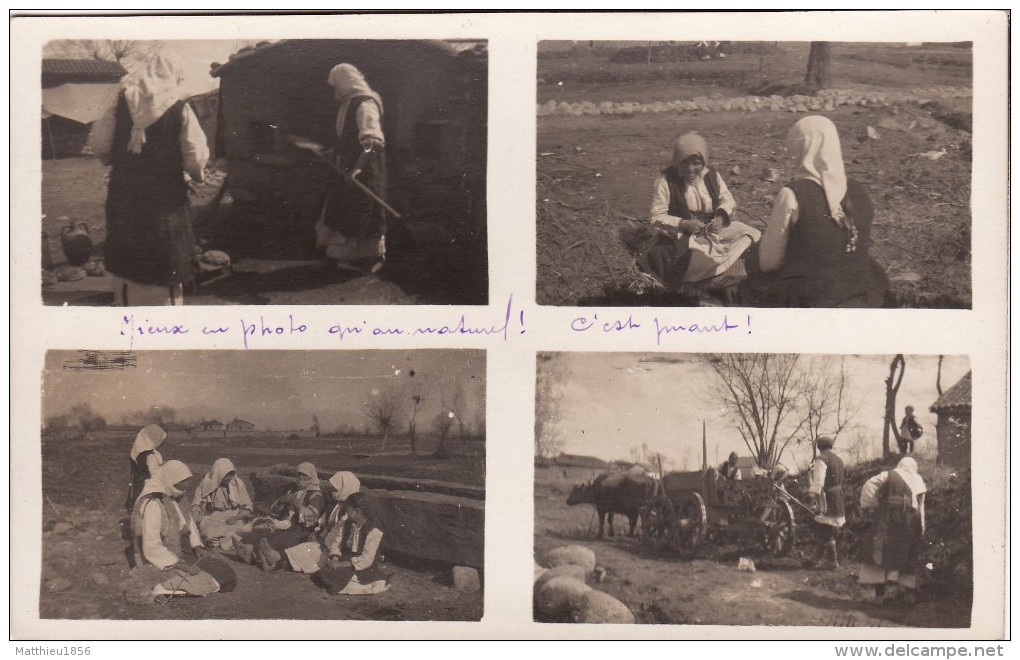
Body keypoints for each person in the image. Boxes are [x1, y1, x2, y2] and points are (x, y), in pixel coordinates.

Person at [91, 48, 210, 306]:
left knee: (128, 255)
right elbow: (195, 156)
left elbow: (100, 144)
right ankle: (165, 326)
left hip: (125, 193)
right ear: (174, 74)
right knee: (165, 255)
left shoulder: (121, 101)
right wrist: (197, 175)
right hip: (164, 199)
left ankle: (127, 313)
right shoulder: (180, 109)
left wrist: (115, 160)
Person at [750, 115, 888, 307]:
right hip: (860, 287)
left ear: (801, 149)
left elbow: (770, 262)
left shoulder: (793, 194)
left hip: (813, 295)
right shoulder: (859, 190)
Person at [641, 132, 761, 290]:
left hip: (712, 229)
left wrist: (720, 216)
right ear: (677, 161)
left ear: (703, 161)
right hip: (685, 236)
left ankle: (715, 269)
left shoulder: (711, 175)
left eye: (696, 163)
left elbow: (728, 199)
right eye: (684, 163)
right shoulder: (665, 181)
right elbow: (656, 218)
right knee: (691, 258)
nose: (690, 169)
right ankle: (718, 273)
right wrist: (684, 224)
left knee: (751, 233)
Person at [315, 63, 388, 270]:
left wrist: (358, 168)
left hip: (366, 167)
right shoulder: (348, 103)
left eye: (337, 85)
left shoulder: (366, 104)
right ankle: (344, 256)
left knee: (363, 211)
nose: (335, 91)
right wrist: (333, 153)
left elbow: (372, 142)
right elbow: (347, 138)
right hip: (348, 167)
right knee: (344, 209)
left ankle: (368, 259)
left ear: (347, 83)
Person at [130, 460, 236, 598]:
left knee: (226, 573)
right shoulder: (152, 504)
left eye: (187, 480)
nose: (186, 485)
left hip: (182, 550)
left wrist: (196, 545)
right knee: (209, 579)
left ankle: (179, 584)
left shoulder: (176, 496)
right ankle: (163, 587)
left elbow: (189, 523)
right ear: (170, 479)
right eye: (183, 480)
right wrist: (178, 564)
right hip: (161, 558)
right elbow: (151, 546)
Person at [858, 457, 927, 605]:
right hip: (911, 521)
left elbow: (869, 486)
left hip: (888, 517)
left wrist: (871, 504)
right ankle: (909, 596)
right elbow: (921, 507)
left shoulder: (888, 475)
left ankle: (879, 597)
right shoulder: (919, 480)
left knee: (880, 550)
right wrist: (921, 525)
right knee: (908, 553)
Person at [236, 462, 326, 571]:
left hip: (301, 528)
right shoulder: (293, 490)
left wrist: (295, 503)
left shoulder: (316, 495)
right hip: (285, 523)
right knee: (262, 532)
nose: (300, 478)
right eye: (299, 475)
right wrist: (281, 502)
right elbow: (275, 512)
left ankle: (255, 554)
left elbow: (310, 519)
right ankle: (252, 554)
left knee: (280, 540)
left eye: (304, 476)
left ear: (312, 477)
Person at [283, 470, 362, 574]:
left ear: (345, 487)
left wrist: (325, 543)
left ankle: (277, 561)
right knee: (304, 548)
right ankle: (276, 560)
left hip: (338, 548)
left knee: (312, 553)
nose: (332, 489)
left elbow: (342, 533)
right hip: (327, 542)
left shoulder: (353, 510)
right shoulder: (334, 505)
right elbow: (323, 523)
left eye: (335, 487)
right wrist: (317, 535)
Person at [316, 492, 390, 595]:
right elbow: (337, 543)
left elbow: (367, 559)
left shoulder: (373, 530)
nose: (346, 512)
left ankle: (347, 584)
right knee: (325, 570)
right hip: (346, 559)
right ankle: (339, 581)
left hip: (362, 566)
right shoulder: (346, 524)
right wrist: (335, 559)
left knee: (336, 575)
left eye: (347, 509)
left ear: (357, 511)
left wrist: (340, 564)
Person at [190, 458, 253, 551]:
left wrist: (236, 518)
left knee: (241, 531)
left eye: (231, 474)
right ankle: (216, 541)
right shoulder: (207, 482)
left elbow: (247, 507)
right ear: (219, 474)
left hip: (233, 515)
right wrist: (196, 517)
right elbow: (197, 502)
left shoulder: (238, 484)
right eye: (227, 475)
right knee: (207, 532)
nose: (230, 478)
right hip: (212, 515)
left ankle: (226, 541)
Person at [807, 436, 846, 569]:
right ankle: (817, 558)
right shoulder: (839, 460)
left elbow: (819, 480)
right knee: (823, 528)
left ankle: (832, 561)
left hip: (827, 497)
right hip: (838, 494)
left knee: (824, 528)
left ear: (819, 447)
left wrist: (812, 495)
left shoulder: (822, 459)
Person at [124, 424, 167, 514]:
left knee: (138, 507)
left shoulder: (138, 450)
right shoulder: (150, 456)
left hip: (137, 484)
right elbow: (155, 475)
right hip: (148, 488)